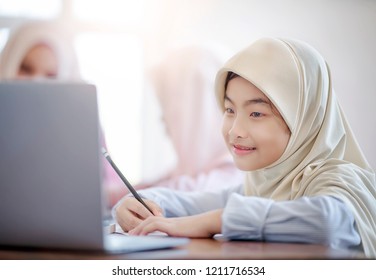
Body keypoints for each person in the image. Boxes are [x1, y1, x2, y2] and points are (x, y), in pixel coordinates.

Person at [113, 38, 376, 258]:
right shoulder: (264, 184)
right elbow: (189, 202)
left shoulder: (340, 178)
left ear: (303, 118)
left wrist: (215, 220)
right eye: (229, 110)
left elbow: (328, 222)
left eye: (256, 114)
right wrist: (135, 204)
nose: (234, 130)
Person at [0, 20, 126, 208]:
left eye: (50, 75)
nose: (36, 82)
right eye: (26, 68)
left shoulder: (82, 126)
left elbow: (105, 188)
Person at [138, 45, 244, 191]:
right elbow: (152, 185)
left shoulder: (234, 170)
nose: (164, 122)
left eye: (171, 111)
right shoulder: (187, 170)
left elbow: (187, 194)